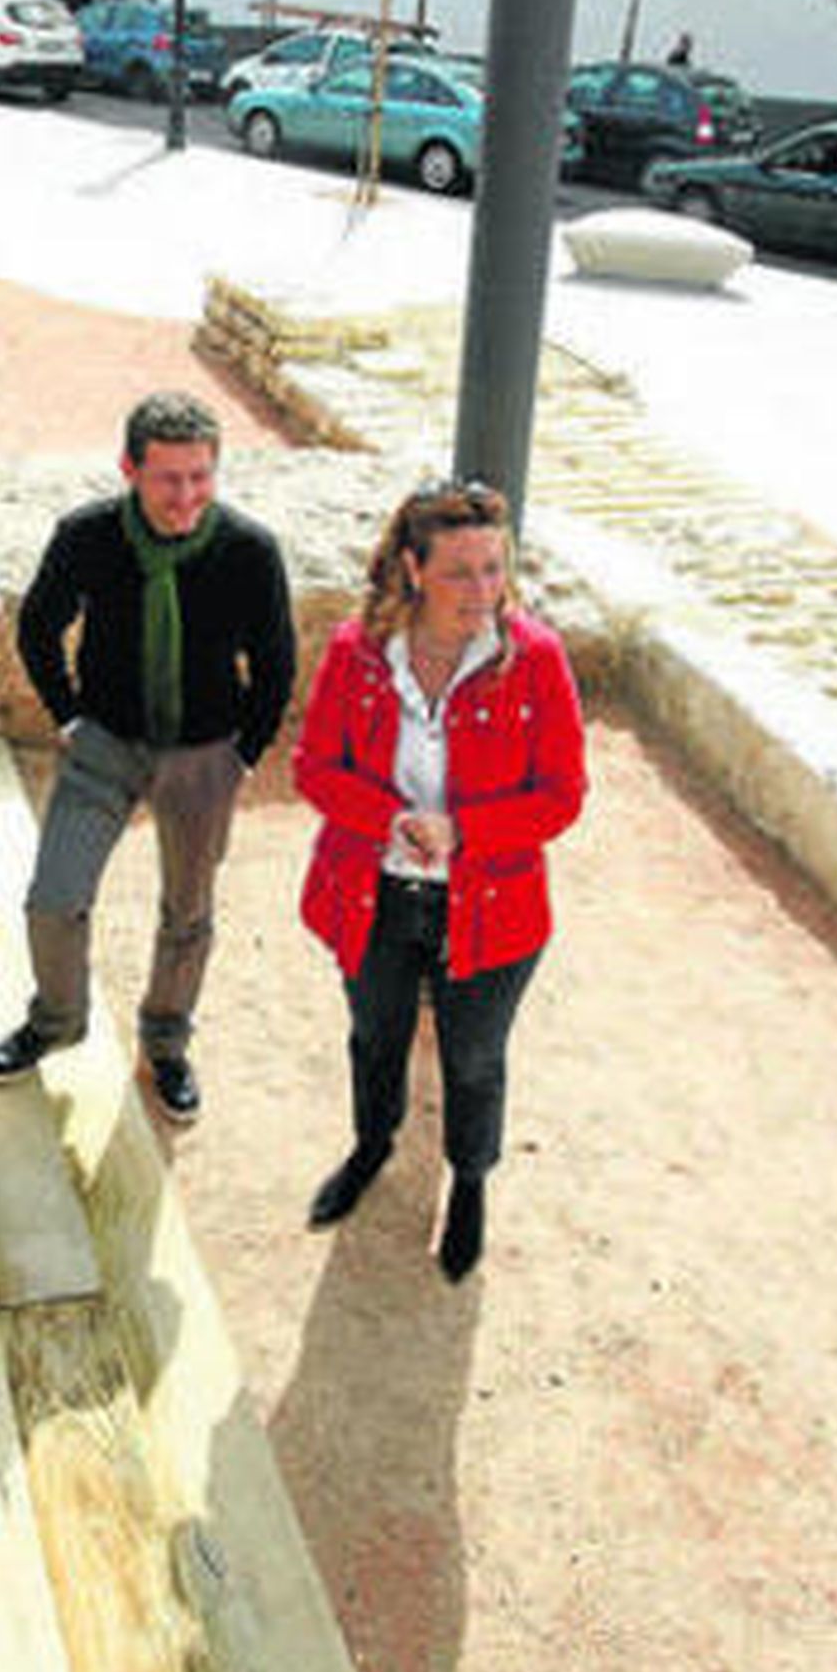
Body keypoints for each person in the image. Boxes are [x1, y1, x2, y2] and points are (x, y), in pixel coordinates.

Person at [293, 479, 586, 1278]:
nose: (483, 591)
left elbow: (563, 796)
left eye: (494, 568)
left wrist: (465, 833)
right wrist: (391, 819)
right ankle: (370, 1146)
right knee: (375, 1035)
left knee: (473, 1059)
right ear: (413, 569)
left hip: (493, 907)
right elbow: (313, 767)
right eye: (461, 571)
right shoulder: (357, 651)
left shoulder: (537, 660)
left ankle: (471, 1184)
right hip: (372, 894)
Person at [0, 392, 295, 1126]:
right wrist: (68, 716)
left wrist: (240, 756)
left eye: (201, 477)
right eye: (168, 478)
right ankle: (55, 1021)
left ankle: (167, 1043)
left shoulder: (249, 550)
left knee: (188, 913)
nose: (186, 496)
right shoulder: (86, 536)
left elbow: (275, 664)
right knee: (53, 897)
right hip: (105, 747)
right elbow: (38, 627)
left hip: (202, 756)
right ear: (130, 469)